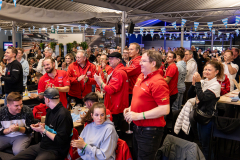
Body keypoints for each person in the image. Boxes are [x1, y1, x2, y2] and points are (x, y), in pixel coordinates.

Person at [124, 51, 170, 160]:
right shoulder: (141, 76)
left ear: (153, 63)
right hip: (138, 127)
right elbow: (138, 97)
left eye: (143, 61)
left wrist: (138, 115)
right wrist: (130, 108)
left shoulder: (158, 82)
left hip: (150, 131)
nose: (140, 63)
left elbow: (165, 109)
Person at [12, 88, 73, 160]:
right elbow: (52, 126)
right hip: (43, 145)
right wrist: (42, 126)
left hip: (55, 150)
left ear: (47, 99)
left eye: (44, 98)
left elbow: (60, 140)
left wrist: (43, 130)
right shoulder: (50, 110)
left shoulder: (63, 115)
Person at [188, 61, 222, 159]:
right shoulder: (203, 82)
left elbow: (202, 98)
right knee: (201, 143)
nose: (206, 71)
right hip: (199, 116)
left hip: (208, 118)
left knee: (207, 145)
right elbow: (190, 95)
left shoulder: (216, 85)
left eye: (209, 70)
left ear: (216, 72)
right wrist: (194, 84)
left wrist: (198, 83)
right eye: (205, 69)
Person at [94, 52, 129, 130]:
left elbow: (111, 90)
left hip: (116, 107)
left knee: (115, 131)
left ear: (118, 60)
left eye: (112, 59)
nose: (109, 60)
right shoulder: (117, 70)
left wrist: (100, 82)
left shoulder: (118, 72)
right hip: (116, 105)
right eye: (109, 58)